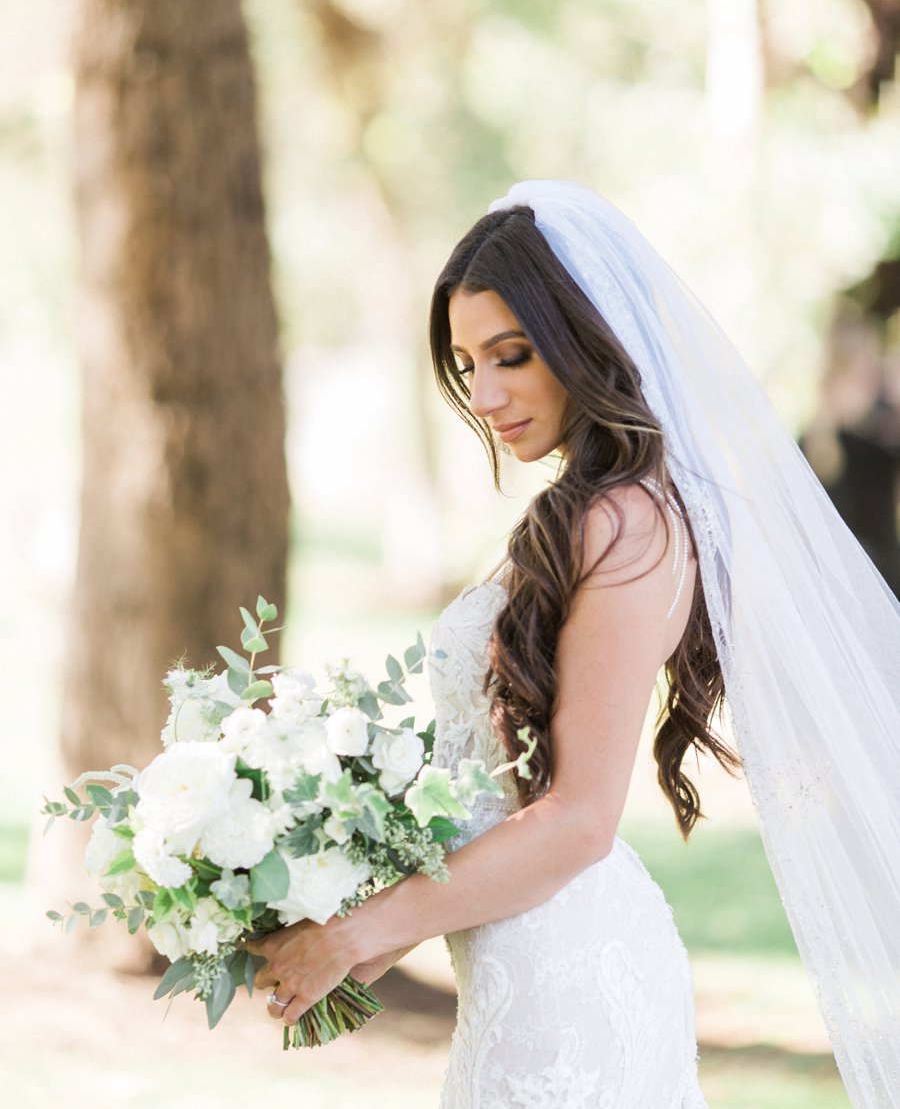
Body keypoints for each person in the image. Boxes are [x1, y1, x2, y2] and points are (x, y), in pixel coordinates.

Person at [254, 182, 900, 1108]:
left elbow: (577, 820)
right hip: (515, 961)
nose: (482, 394)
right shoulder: (577, 515)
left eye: (511, 356)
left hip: (569, 981)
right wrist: (345, 932)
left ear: (583, 341)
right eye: (468, 362)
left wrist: (353, 937)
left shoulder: (627, 520)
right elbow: (497, 804)